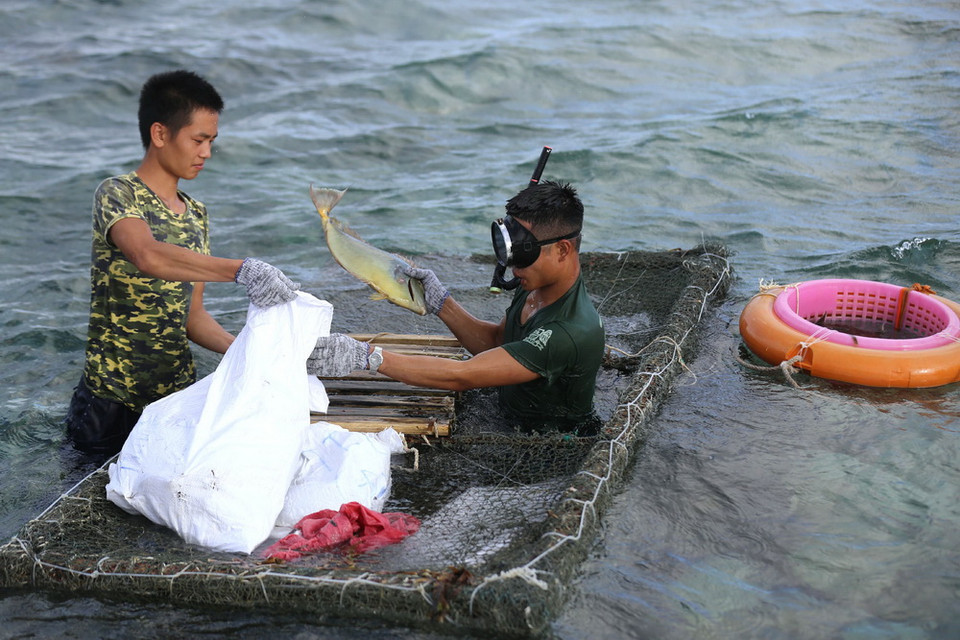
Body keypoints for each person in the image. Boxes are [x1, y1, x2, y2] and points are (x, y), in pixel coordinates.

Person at [65, 70, 300, 458]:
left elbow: (192, 317)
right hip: (109, 403)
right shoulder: (118, 193)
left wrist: (246, 349)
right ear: (160, 134)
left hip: (173, 402)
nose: (206, 152)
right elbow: (147, 254)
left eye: (211, 141)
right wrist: (242, 269)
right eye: (198, 140)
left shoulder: (197, 214)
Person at [307, 180, 605, 435]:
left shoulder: (569, 332)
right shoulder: (538, 284)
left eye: (523, 254)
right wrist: (442, 303)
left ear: (563, 249)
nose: (513, 269)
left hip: (545, 441)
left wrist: (368, 357)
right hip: (510, 411)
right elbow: (496, 343)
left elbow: (462, 376)